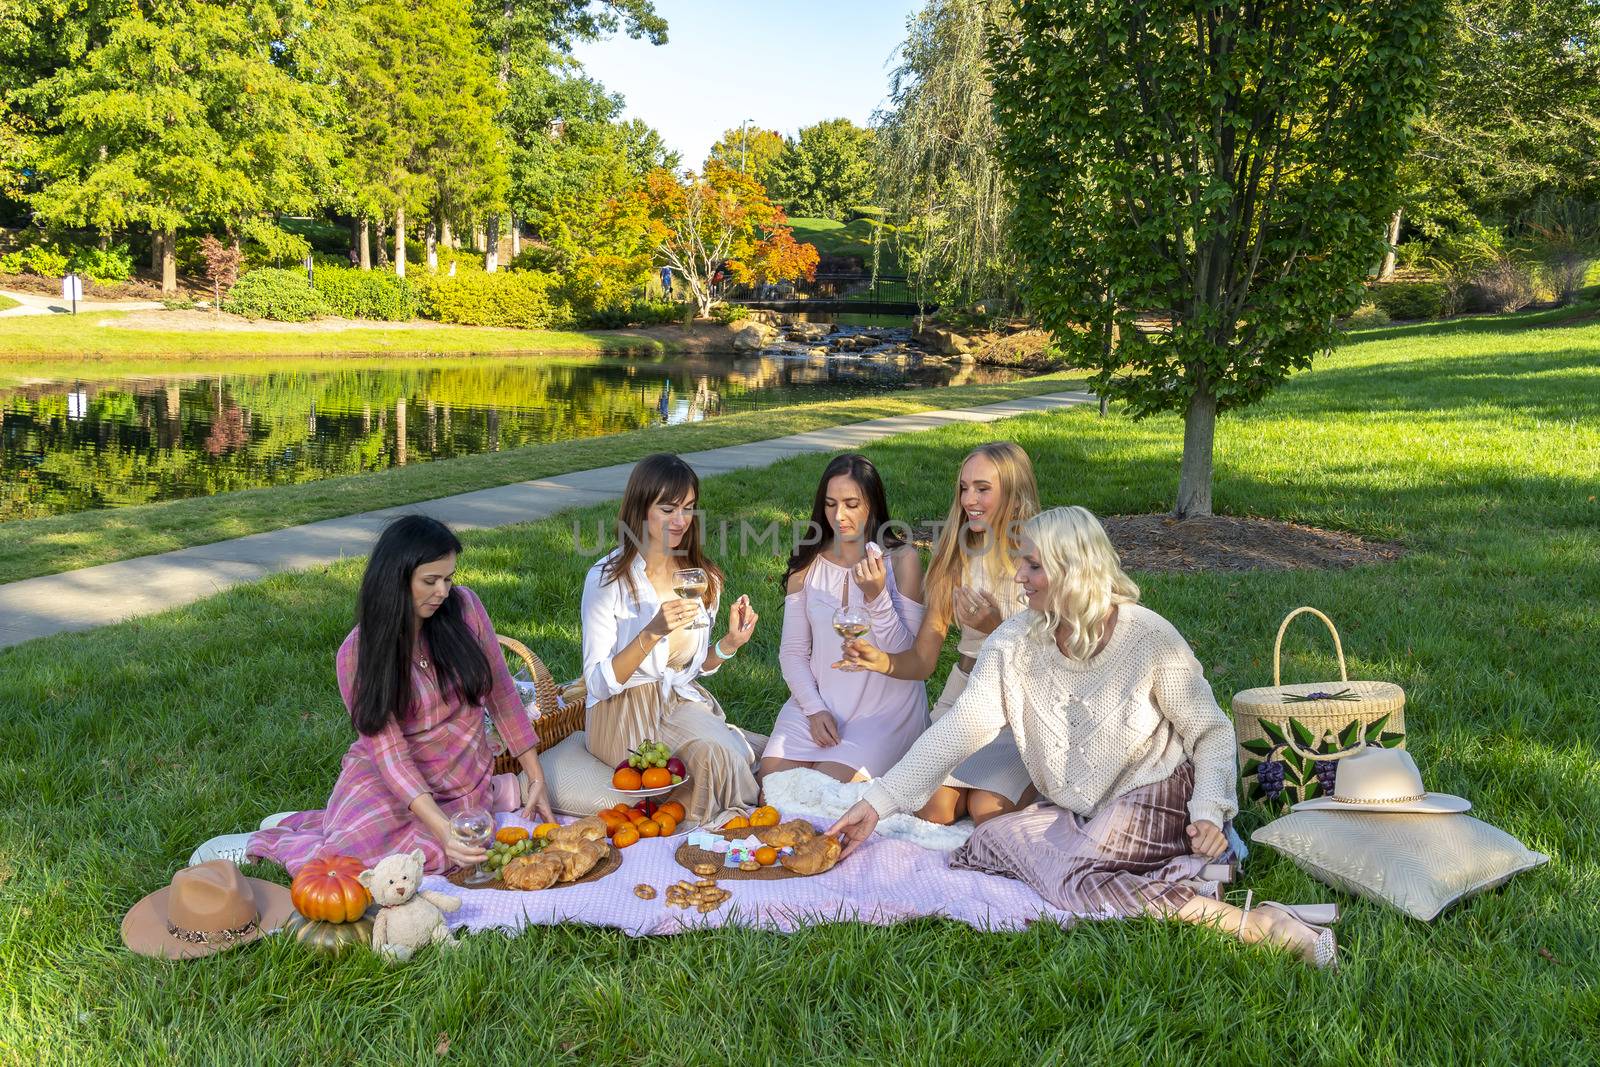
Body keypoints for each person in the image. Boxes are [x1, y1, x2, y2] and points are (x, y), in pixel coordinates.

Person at [828, 506, 1338, 968]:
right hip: (1087, 808)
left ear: (1074, 570)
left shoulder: (1148, 636)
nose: (1019, 577)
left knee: (1072, 880)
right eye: (1020, 563)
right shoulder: (1013, 642)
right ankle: (1183, 876)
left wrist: (1208, 808)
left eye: (1033, 566)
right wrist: (876, 803)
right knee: (989, 840)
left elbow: (1211, 731)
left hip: (1159, 790)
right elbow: (961, 729)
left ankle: (1257, 924)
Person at [248, 515, 553, 876]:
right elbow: (388, 754)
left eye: (448, 578)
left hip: (460, 777)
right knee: (345, 863)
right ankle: (304, 829)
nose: (443, 591)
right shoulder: (358, 653)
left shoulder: (465, 608)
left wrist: (536, 776)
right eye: (430, 581)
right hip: (392, 779)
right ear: (396, 578)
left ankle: (493, 793)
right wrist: (442, 829)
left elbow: (501, 692)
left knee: (435, 856)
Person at [843, 441, 1039, 824]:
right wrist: (879, 660)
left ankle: (1041, 784)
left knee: (987, 812)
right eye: (964, 488)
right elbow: (923, 661)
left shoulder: (1041, 552)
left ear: (1013, 492)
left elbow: (1060, 654)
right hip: (965, 694)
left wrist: (995, 629)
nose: (969, 499)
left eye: (983, 489)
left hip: (1019, 705)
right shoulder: (955, 552)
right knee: (933, 811)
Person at [581, 453, 761, 823]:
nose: (681, 521)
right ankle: (719, 833)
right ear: (640, 509)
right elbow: (597, 684)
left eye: (689, 508)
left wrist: (729, 645)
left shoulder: (701, 578)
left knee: (743, 752)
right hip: (621, 712)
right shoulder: (607, 579)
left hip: (676, 700)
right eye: (668, 509)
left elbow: (690, 667)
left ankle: (730, 809)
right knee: (717, 755)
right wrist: (651, 633)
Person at [758, 454, 927, 782]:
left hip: (883, 712)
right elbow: (793, 652)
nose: (839, 516)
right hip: (821, 703)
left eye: (851, 504)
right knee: (773, 788)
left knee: (825, 793)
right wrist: (813, 708)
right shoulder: (807, 564)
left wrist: (877, 597)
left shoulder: (902, 561)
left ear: (872, 505)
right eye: (831, 504)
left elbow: (909, 657)